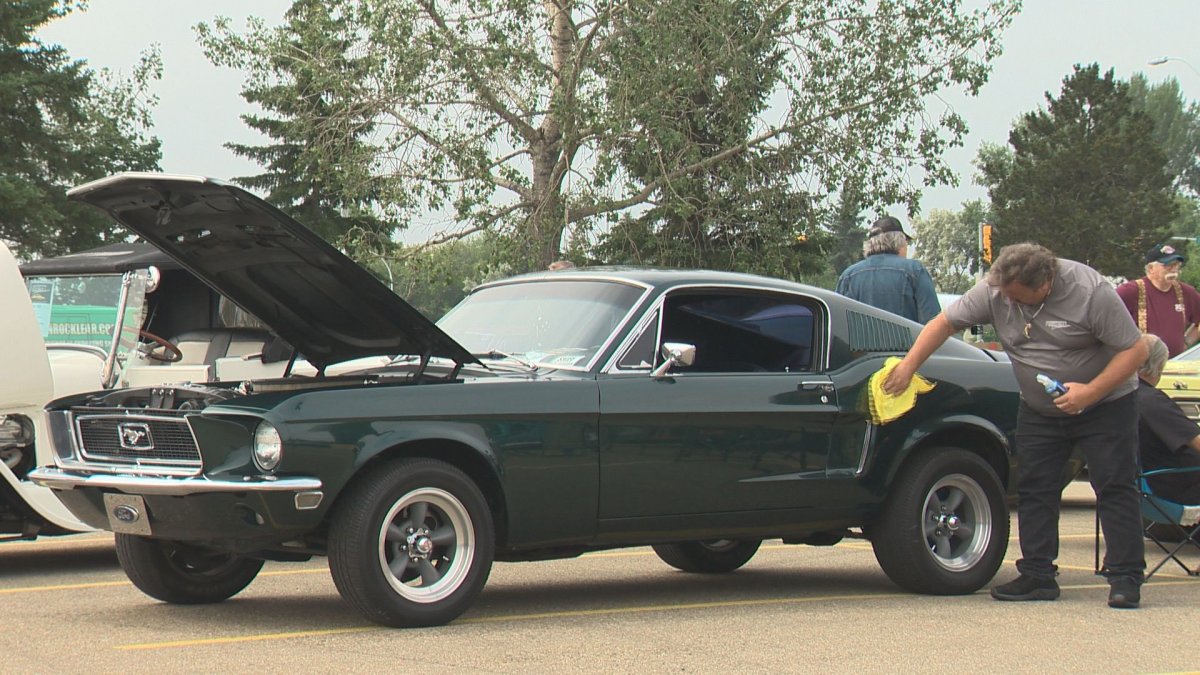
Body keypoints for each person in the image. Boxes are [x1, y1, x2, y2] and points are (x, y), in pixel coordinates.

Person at [882, 242, 1147, 609]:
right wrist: (909, 366)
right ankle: (1038, 575)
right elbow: (944, 323)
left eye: (1021, 299)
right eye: (1007, 297)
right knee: (1036, 486)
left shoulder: (1090, 292)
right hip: (1040, 408)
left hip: (1104, 403)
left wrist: (1089, 392)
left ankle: (1125, 577)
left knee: (1114, 486)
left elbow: (1136, 350)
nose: (1011, 305)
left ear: (1047, 283)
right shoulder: (995, 289)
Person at [1134, 334, 1200, 505]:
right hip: (1172, 490)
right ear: (1159, 366)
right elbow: (1197, 442)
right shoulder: (1151, 401)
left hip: (1141, 488)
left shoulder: (1123, 396)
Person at [836, 216, 940, 324]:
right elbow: (933, 322)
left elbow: (838, 323)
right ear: (899, 241)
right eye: (906, 243)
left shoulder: (848, 276)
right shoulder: (915, 270)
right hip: (905, 341)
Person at [1115, 243, 1200, 357]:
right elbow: (1105, 320)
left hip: (1174, 366)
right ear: (1151, 268)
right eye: (1167, 265)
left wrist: (1186, 342)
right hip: (1141, 366)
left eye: (1176, 264)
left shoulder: (1186, 292)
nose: (1174, 269)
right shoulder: (1130, 291)